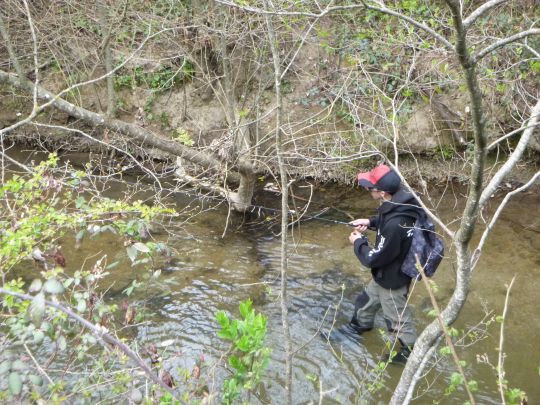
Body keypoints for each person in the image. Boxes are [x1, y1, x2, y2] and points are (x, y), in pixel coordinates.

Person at [347, 164, 422, 363]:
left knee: (398, 321)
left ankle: (409, 353)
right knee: (365, 303)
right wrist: (371, 222)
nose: (367, 189)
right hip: (386, 274)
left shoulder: (395, 225)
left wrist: (358, 242)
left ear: (381, 192)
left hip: (393, 280)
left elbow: (372, 259)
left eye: (369, 187)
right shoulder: (404, 202)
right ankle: (358, 329)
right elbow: (388, 220)